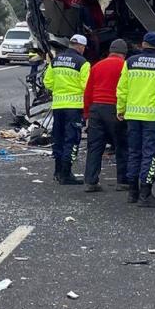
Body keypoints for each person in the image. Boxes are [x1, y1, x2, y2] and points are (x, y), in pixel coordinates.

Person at [116, 32, 155, 207]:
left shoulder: (130, 62)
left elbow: (122, 88)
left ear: (143, 44)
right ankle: (146, 194)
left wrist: (121, 109)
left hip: (133, 115)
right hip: (153, 117)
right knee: (150, 155)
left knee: (134, 153)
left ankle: (132, 193)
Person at [82, 39, 130, 193]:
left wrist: (87, 114)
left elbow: (88, 91)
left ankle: (91, 182)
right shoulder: (125, 66)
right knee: (122, 145)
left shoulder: (97, 65)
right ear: (124, 54)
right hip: (115, 108)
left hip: (96, 108)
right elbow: (127, 90)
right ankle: (123, 182)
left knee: (95, 146)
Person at [43, 34, 91, 186]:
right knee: (72, 140)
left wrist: (60, 89)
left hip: (58, 106)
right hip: (74, 108)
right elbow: (86, 86)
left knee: (58, 139)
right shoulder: (83, 63)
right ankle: (66, 174)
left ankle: (57, 171)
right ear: (81, 47)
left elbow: (47, 82)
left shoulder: (56, 61)